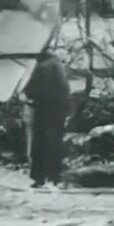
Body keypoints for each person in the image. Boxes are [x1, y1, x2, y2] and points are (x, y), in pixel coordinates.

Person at [22, 52, 70, 190]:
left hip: (44, 110)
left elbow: (32, 90)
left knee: (40, 145)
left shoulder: (42, 67)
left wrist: (28, 96)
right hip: (58, 112)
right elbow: (65, 90)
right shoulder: (57, 66)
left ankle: (40, 178)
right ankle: (55, 177)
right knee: (55, 145)